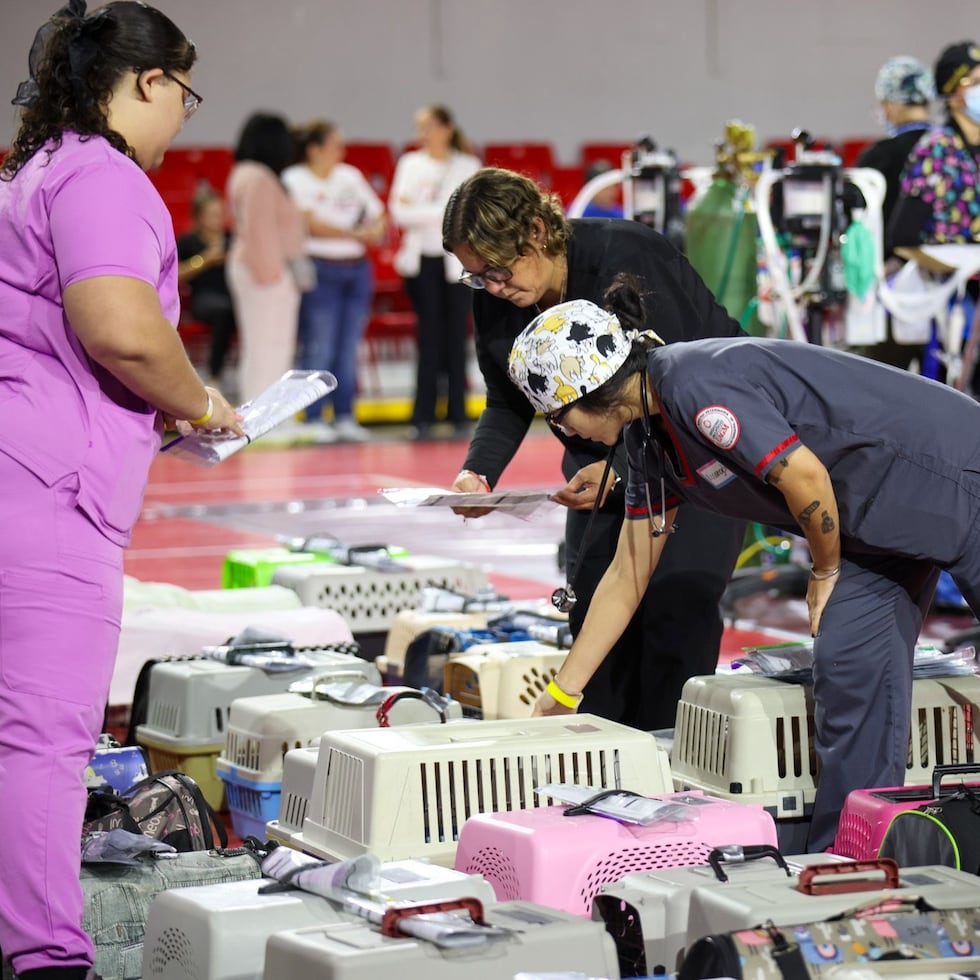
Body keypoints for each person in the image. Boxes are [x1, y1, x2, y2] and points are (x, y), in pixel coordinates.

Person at [508, 287, 980, 853]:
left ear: (587, 395)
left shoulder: (691, 383)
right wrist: (562, 694)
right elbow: (627, 575)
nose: (567, 435)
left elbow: (805, 478)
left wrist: (824, 572)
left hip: (951, 472)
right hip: (873, 527)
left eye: (558, 419)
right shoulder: (644, 439)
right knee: (850, 670)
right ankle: (849, 861)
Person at [0, 3, 243, 977]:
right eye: (183, 94)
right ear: (148, 81)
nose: (183, 115)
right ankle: (47, 955)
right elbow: (122, 330)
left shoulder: (35, 169)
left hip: (19, 458)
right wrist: (201, 404)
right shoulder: (102, 175)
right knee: (42, 743)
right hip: (48, 488)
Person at [442, 167, 746, 732]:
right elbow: (509, 400)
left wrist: (624, 468)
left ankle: (673, 776)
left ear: (536, 231)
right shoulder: (498, 296)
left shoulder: (628, 259)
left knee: (674, 621)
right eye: (476, 277)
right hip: (599, 465)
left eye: (498, 270)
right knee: (596, 633)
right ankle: (604, 781)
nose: (492, 286)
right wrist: (476, 474)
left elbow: (684, 391)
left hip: (697, 459)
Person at [282, 119, 386, 443]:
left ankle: (344, 415)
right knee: (319, 344)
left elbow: (378, 215)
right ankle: (312, 415)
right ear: (314, 149)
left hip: (356, 268)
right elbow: (308, 223)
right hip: (320, 267)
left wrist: (372, 231)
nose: (341, 151)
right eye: (334, 145)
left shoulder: (349, 176)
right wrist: (355, 232)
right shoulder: (294, 178)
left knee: (347, 346)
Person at [388, 105, 481, 440]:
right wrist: (442, 211)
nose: (421, 134)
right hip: (422, 261)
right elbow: (400, 212)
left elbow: (468, 212)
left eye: (427, 126)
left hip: (457, 262)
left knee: (457, 336)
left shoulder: (467, 165)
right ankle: (422, 415)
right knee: (429, 337)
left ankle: (458, 412)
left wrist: (424, 211)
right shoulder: (410, 163)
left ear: (445, 128)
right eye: (418, 127)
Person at [226, 111, 306, 405]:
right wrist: (275, 277)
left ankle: (268, 414)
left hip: (258, 269)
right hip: (265, 271)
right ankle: (266, 418)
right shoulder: (258, 177)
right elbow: (260, 231)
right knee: (268, 346)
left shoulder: (248, 173)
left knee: (266, 346)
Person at [889, 41, 980, 248]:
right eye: (975, 82)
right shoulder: (939, 150)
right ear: (953, 96)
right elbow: (903, 234)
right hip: (949, 274)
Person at [176, 184, 236, 388]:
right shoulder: (188, 242)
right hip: (204, 298)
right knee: (223, 311)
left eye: (221, 213)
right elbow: (176, 275)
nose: (218, 219)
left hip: (235, 296)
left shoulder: (233, 239)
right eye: (212, 214)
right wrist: (205, 260)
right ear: (199, 217)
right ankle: (214, 374)